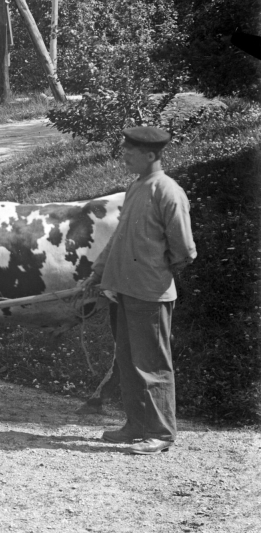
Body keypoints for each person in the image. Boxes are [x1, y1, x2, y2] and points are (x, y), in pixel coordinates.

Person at [82, 126, 196, 455]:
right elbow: (119, 239)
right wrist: (98, 273)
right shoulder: (136, 187)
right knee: (128, 361)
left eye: (129, 152)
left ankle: (160, 433)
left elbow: (184, 251)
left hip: (150, 293)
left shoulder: (168, 191)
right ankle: (136, 425)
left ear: (150, 155)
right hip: (122, 290)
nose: (124, 156)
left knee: (152, 364)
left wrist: (154, 274)